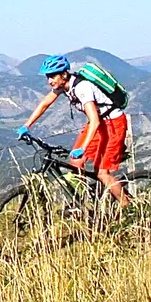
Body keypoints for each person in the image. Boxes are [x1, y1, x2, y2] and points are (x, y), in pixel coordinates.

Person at [17, 54, 131, 208]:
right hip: (99, 124)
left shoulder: (82, 88)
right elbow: (45, 103)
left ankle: (128, 208)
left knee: (102, 173)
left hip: (113, 124)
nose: (49, 80)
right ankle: (85, 203)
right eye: (47, 77)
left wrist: (83, 148)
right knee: (76, 161)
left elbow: (95, 120)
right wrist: (26, 126)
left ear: (64, 74)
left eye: (52, 76)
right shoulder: (63, 86)